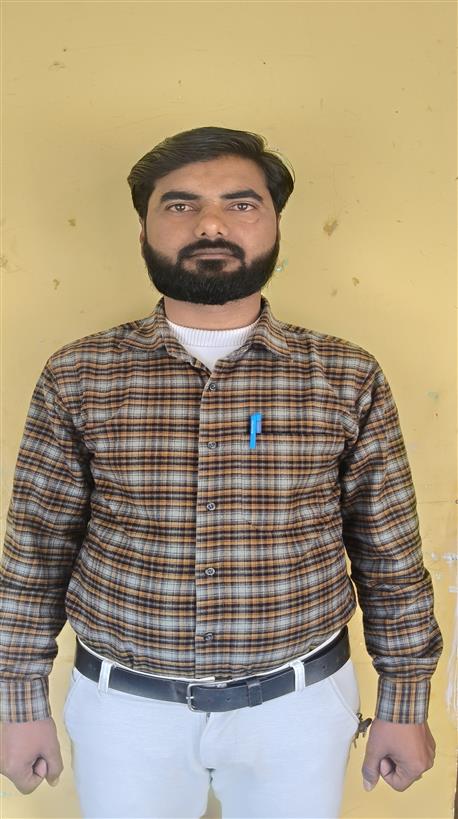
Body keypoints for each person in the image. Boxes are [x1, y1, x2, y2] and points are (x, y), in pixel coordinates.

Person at [0, 126, 442, 819]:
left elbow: (389, 555)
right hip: (124, 714)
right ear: (143, 229)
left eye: (241, 203)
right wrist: (19, 704)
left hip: (299, 710)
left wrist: (404, 702)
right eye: (180, 205)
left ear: (275, 225)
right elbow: (35, 550)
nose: (210, 224)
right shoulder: (78, 374)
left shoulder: (346, 376)